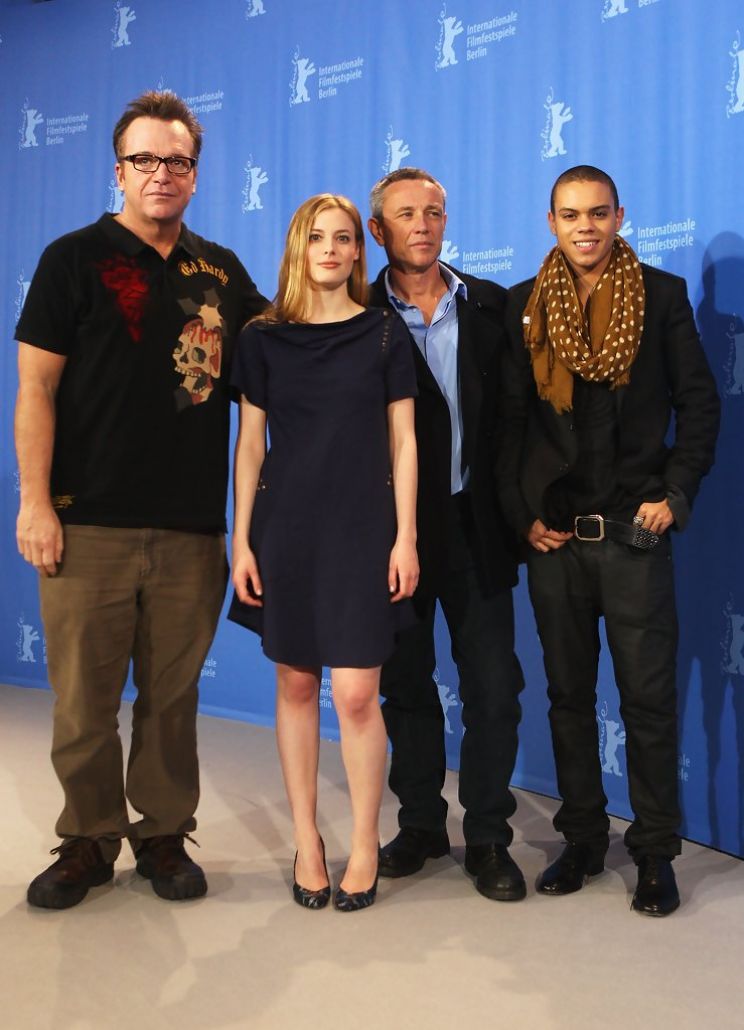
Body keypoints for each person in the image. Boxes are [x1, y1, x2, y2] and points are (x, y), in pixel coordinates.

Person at [14, 91, 267, 909]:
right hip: (85, 521)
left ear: (196, 173)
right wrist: (34, 503)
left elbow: (283, 353)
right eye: (145, 159)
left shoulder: (221, 271)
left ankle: (162, 834)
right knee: (84, 704)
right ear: (119, 169)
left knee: (171, 699)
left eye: (178, 161)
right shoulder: (72, 259)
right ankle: (88, 840)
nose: (162, 173)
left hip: (191, 527)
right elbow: (35, 389)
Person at [498, 165, 720, 916]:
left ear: (619, 217)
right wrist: (522, 513)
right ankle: (585, 840)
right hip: (557, 542)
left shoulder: (661, 296)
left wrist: (675, 494)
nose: (585, 227)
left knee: (648, 703)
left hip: (634, 538)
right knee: (567, 699)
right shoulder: (526, 306)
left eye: (598, 213)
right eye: (571, 215)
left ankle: (654, 852)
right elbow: (511, 423)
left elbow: (699, 405)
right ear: (551, 222)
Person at [228, 194, 418, 912]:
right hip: (287, 529)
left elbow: (404, 441)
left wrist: (406, 535)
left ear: (359, 251)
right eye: (317, 238)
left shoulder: (383, 332)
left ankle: (365, 843)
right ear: (297, 249)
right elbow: (250, 446)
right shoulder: (262, 338)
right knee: (297, 686)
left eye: (343, 238)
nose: (331, 250)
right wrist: (241, 538)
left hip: (365, 529)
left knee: (359, 694)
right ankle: (307, 841)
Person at [367, 168, 526, 902]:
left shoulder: (491, 305)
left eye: (433, 211)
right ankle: (422, 825)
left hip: (476, 526)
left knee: (493, 687)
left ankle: (488, 835)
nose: (424, 225)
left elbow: (518, 421)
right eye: (407, 214)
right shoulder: (355, 315)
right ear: (379, 230)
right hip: (390, 534)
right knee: (405, 685)